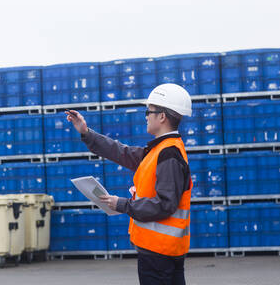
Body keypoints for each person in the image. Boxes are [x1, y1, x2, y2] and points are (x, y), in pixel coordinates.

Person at [65, 83, 193, 285]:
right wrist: (86, 132)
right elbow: (120, 151)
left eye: (148, 111)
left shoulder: (168, 154)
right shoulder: (159, 150)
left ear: (162, 117)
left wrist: (122, 204)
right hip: (159, 251)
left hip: (159, 254)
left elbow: (165, 204)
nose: (146, 116)